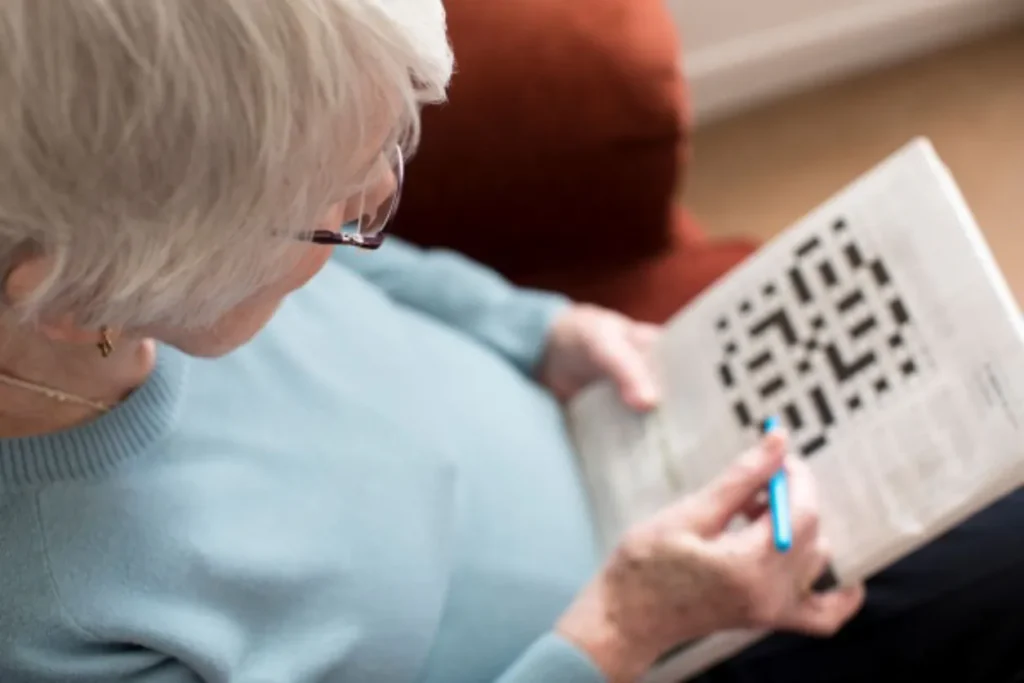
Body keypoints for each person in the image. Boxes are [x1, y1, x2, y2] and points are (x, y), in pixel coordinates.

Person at [0, 2, 1021, 682]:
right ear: (72, 292)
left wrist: (535, 327)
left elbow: (376, 274)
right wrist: (620, 633)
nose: (370, 222)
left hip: (616, 455)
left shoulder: (152, 274)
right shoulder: (59, 616)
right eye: (331, 216)